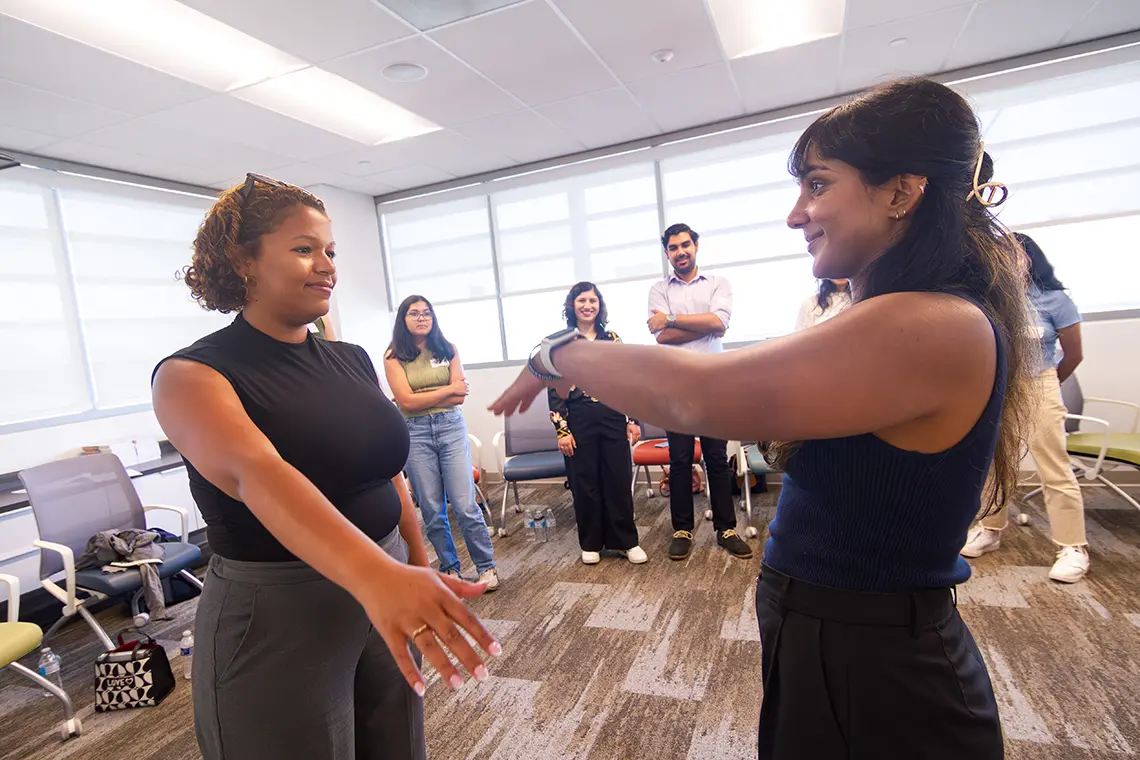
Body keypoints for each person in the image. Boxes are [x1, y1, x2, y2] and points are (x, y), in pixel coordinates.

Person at [491, 77, 1036, 759]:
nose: (795, 214)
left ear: (900, 191)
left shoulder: (932, 322)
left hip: (880, 673)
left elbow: (694, 393)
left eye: (816, 185)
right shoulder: (910, 314)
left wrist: (555, 353)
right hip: (843, 644)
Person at [152, 174, 499, 760]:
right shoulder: (192, 374)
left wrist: (414, 564)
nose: (327, 265)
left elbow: (388, 472)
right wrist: (378, 576)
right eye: (304, 249)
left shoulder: (350, 359)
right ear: (244, 261)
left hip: (383, 582)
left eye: (331, 251)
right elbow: (256, 472)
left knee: (394, 744)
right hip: (280, 610)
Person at [962, 232, 1089, 582]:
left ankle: (1073, 546)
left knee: (1054, 467)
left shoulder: (1053, 300)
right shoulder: (989, 298)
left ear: (1029, 258)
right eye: (999, 253)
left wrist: (1047, 385)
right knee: (994, 463)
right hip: (997, 385)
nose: (1005, 259)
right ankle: (990, 529)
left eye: (1012, 253)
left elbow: (1074, 355)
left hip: (1040, 382)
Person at [647, 223, 752, 561]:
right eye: (674, 248)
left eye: (685, 245)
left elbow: (718, 324)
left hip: (711, 383)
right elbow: (661, 338)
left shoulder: (718, 283)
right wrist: (698, 324)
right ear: (667, 253)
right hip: (675, 384)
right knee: (679, 461)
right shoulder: (657, 289)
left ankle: (726, 529)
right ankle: (682, 529)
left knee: (716, 459)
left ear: (696, 246)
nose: (681, 252)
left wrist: (674, 319)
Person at [383, 295, 500, 590]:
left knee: (464, 505)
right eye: (414, 313)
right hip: (415, 432)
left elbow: (459, 396)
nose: (422, 318)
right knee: (433, 509)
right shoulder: (393, 355)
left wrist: (425, 396)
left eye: (426, 313)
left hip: (450, 427)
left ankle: (486, 568)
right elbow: (406, 402)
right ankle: (450, 570)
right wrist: (444, 389)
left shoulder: (448, 349)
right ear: (403, 319)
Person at [548, 282, 648, 566]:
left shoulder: (612, 339)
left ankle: (627, 541)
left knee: (617, 479)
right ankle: (590, 542)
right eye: (581, 300)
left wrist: (633, 419)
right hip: (578, 418)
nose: (587, 305)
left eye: (592, 300)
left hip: (612, 415)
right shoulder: (560, 342)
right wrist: (562, 430)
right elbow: (554, 389)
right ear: (572, 305)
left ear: (599, 305)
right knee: (585, 482)